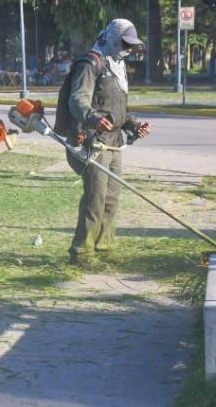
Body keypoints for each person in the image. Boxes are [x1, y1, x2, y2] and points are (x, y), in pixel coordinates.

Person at [64, 18, 152, 267]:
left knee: (112, 198)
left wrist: (134, 125)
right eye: (125, 43)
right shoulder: (91, 63)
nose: (128, 49)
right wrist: (92, 118)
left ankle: (104, 246)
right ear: (112, 38)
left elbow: (116, 109)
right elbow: (77, 100)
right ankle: (82, 253)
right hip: (93, 142)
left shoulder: (118, 66)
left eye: (132, 45)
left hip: (114, 142)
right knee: (95, 198)